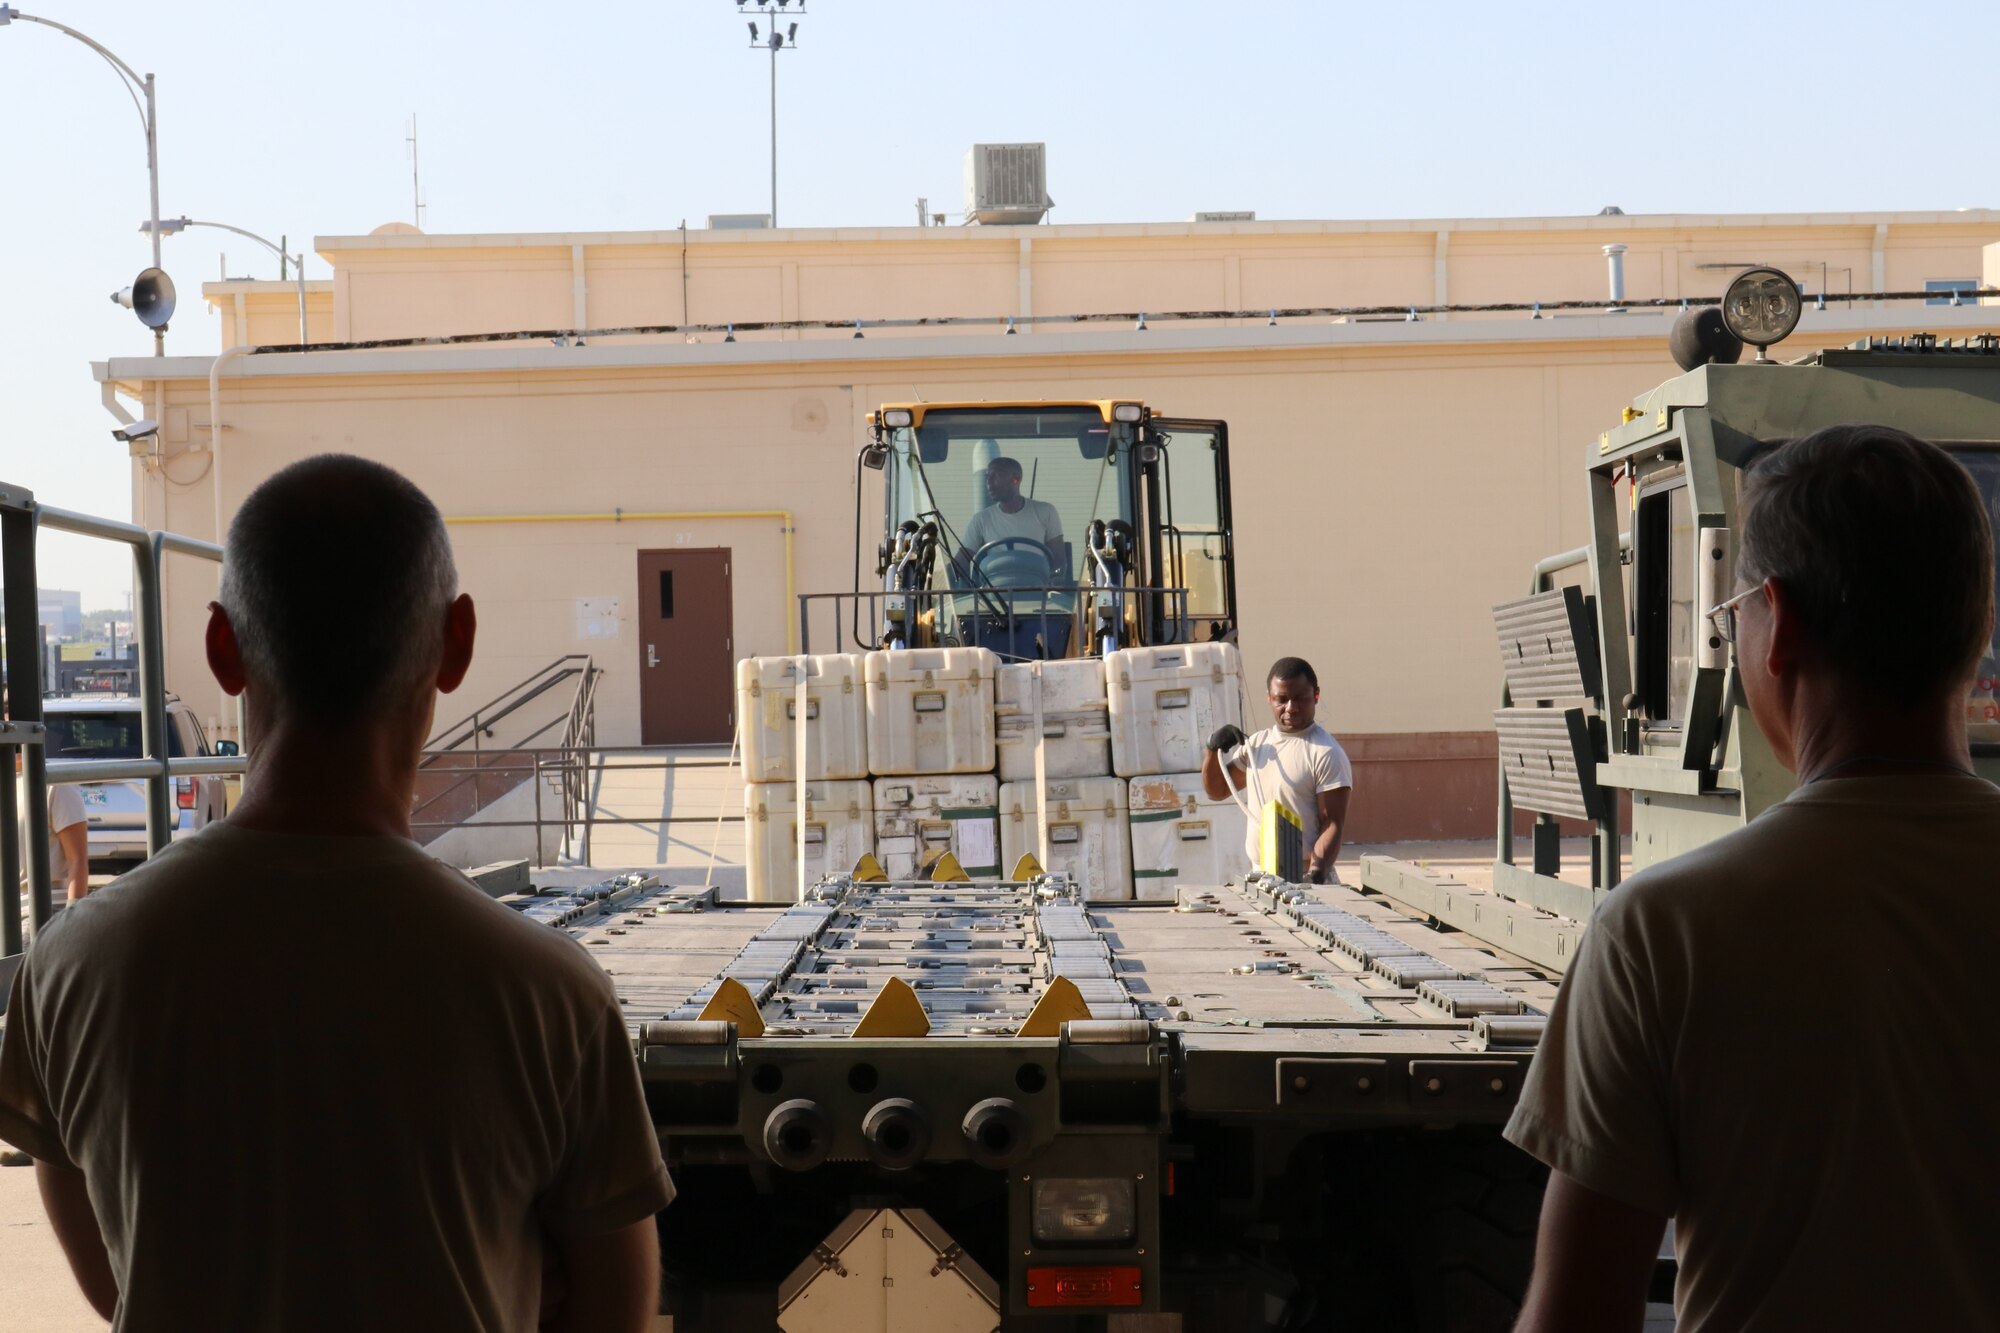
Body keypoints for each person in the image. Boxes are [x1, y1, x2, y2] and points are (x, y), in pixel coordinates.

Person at [0, 455, 671, 1331]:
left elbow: (113, 1277)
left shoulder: (73, 963)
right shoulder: (551, 994)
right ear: (456, 645)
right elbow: (614, 1308)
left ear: (221, 647)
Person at [1505, 424, 2000, 1332]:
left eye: (1733, 616)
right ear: (1981, 627)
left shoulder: (1660, 933)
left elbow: (1575, 1315)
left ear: (1781, 625)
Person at [1201, 657, 1353, 883]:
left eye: (1300, 698)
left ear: (1316, 696)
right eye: (1281, 699)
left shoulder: (1326, 753)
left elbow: (1332, 824)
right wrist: (1212, 751)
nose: (1290, 708)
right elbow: (1217, 791)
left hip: (1304, 880)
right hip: (1261, 877)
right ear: (1269, 698)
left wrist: (1316, 873)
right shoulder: (1256, 746)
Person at [952, 455, 1065, 587]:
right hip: (992, 600)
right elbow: (960, 564)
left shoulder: (1046, 511)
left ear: (1015, 479)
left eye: (996, 475)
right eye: (988, 476)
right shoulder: (981, 520)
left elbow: (1059, 560)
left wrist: (1055, 582)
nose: (989, 481)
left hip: (1039, 598)